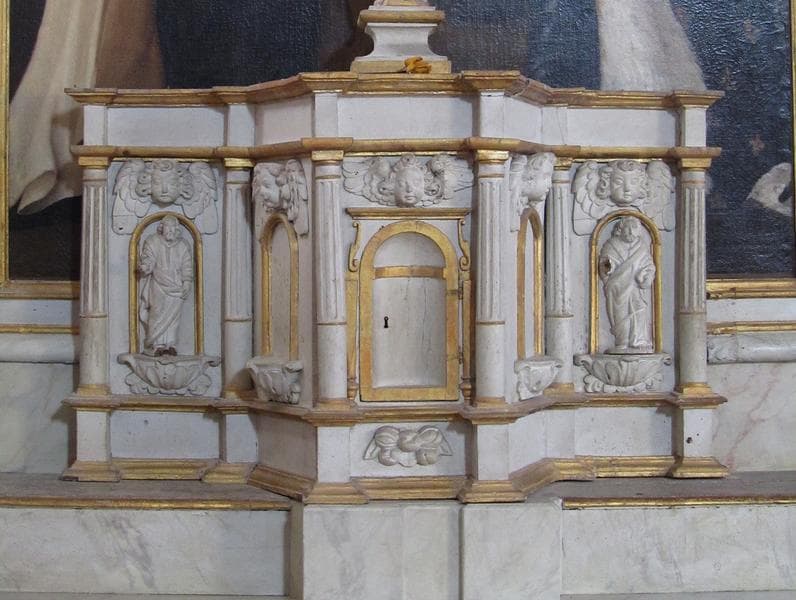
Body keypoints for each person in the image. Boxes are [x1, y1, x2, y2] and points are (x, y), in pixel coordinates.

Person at [138, 215, 193, 356]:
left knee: (174, 318)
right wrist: (146, 266)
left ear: (177, 229)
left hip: (176, 285)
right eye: (168, 226)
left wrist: (187, 281)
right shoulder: (152, 242)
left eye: (173, 227)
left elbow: (187, 265)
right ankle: (156, 344)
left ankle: (170, 344)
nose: (170, 230)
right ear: (162, 228)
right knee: (157, 312)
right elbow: (148, 258)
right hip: (158, 283)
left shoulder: (183, 245)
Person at [598, 216, 655, 353]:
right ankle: (622, 341)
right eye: (627, 228)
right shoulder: (611, 245)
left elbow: (649, 265)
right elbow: (605, 263)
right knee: (621, 315)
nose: (630, 231)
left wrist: (647, 277)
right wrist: (608, 267)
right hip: (617, 288)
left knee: (639, 311)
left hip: (635, 289)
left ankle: (638, 341)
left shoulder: (641, 247)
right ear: (620, 229)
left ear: (639, 231)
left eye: (634, 228)